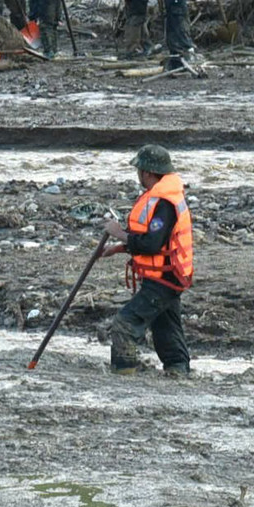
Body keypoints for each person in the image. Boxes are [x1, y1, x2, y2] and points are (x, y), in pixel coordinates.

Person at [101, 144, 194, 376]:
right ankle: (178, 374)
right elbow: (155, 242)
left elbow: (151, 244)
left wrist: (118, 232)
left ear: (148, 173)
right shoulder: (163, 198)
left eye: (140, 170)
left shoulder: (164, 204)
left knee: (124, 324)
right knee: (166, 330)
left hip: (164, 278)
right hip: (169, 276)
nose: (138, 175)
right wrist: (120, 248)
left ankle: (123, 375)